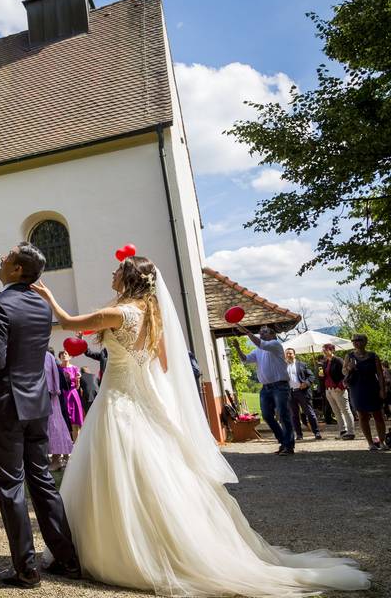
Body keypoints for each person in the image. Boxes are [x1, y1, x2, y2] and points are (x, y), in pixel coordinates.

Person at [33, 255, 370, 596]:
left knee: (114, 470)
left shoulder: (118, 313)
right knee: (144, 472)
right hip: (133, 398)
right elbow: (161, 363)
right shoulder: (151, 316)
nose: (112, 271)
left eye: (118, 269)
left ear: (130, 277)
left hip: (118, 401)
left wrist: (48, 296)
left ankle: (122, 550)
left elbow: (68, 321)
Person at [0, 243, 81, 587]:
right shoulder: (42, 306)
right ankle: (68, 559)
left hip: (6, 405)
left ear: (16, 270)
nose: (1, 257)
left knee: (10, 485)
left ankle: (26, 569)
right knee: (42, 481)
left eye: (7, 256)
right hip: (37, 405)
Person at [232, 324, 295, 455]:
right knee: (266, 415)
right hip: (266, 388)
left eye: (264, 332)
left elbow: (260, 343)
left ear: (272, 335)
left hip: (280, 386)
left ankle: (288, 446)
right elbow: (245, 359)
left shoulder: (274, 344)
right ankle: (283, 441)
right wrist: (237, 348)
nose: (261, 333)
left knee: (283, 416)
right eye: (260, 332)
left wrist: (245, 330)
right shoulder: (258, 350)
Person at [344, 334, 388, 451]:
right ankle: (370, 443)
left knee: (378, 415)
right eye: (354, 340)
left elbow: (379, 374)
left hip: (372, 387)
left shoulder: (373, 356)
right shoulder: (349, 356)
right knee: (362, 416)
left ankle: (382, 442)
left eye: (359, 340)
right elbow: (344, 371)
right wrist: (349, 368)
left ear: (365, 342)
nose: (356, 342)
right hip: (357, 388)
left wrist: (382, 389)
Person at [285, 348, 322, 441]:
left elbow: (312, 376)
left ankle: (317, 433)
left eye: (290, 353)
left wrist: (306, 383)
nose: (288, 355)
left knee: (309, 413)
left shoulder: (302, 364)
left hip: (302, 392)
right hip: (290, 393)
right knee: (294, 415)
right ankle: (299, 435)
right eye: (287, 354)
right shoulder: (283, 366)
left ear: (294, 354)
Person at [44, 350, 73, 471]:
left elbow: (54, 375)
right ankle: (50, 459)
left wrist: (54, 389)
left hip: (49, 395)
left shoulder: (48, 356)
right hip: (41, 395)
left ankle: (56, 459)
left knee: (53, 426)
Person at [321, 344, 354, 439]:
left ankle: (350, 432)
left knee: (345, 410)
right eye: (323, 350)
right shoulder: (325, 362)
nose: (324, 351)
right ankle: (343, 431)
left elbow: (346, 374)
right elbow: (326, 376)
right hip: (329, 390)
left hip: (338, 389)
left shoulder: (338, 360)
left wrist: (341, 386)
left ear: (332, 350)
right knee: (336, 411)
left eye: (326, 349)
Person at [57, 351, 85, 440]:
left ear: (70, 357)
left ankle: (76, 446)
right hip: (62, 395)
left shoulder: (75, 368)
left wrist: (78, 379)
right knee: (63, 421)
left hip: (73, 395)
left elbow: (77, 387)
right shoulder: (57, 369)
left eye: (65, 354)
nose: (63, 355)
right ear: (60, 358)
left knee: (75, 420)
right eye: (61, 355)